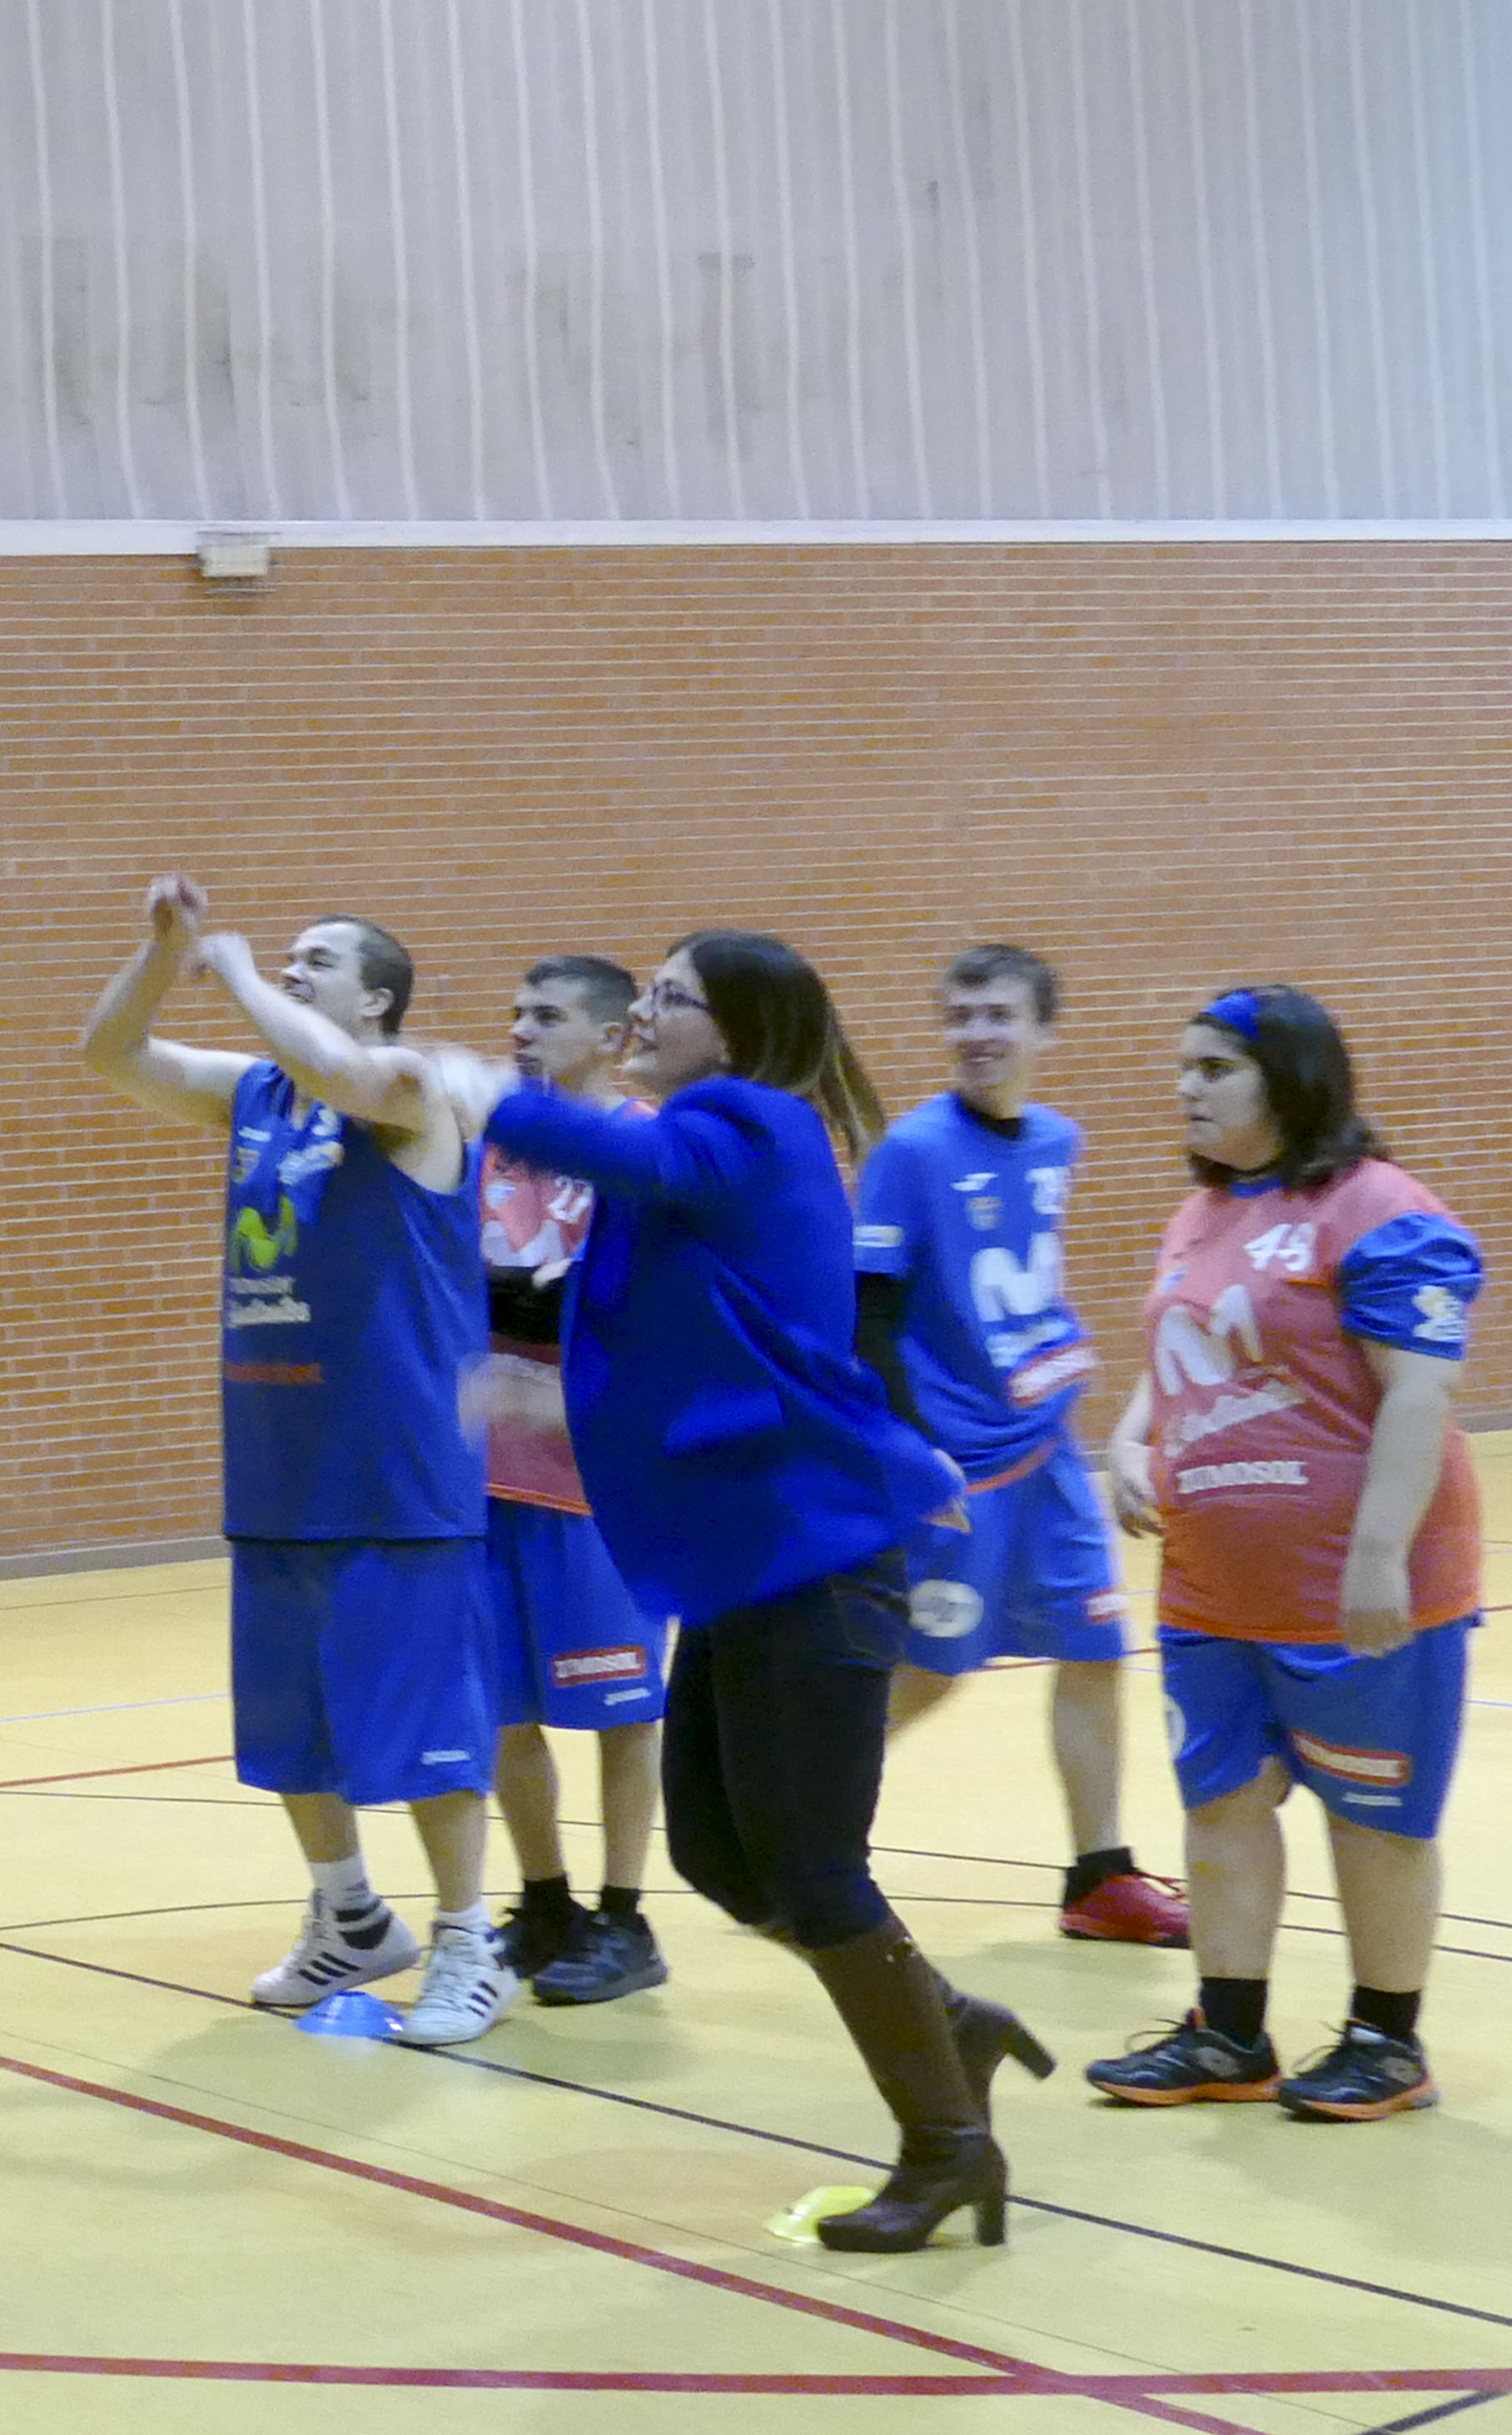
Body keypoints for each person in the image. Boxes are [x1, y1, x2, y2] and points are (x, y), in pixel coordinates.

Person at [450, 935, 1048, 2252]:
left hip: (819, 1560)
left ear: (739, 1029)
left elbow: (610, 1149)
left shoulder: (755, 1122)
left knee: (820, 1871)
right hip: (743, 1567)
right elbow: (696, 1356)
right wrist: (546, 1396)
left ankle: (948, 2148)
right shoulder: (704, 1162)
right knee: (718, 1857)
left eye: (672, 999)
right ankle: (949, 2025)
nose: (645, 1016)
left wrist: (470, 1086)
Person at [80, 876, 510, 2047]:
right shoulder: (258, 1093)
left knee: (424, 1731)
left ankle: (470, 1940)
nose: (292, 966)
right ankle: (351, 1917)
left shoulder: (412, 1091)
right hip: (278, 1456)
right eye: (290, 957)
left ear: (376, 998)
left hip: (396, 1467)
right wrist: (162, 954)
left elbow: (347, 1076)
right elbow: (109, 1053)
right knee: (293, 1727)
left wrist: (234, 972)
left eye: (321, 960)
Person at [1086, 987, 1478, 2122]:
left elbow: (1420, 1394)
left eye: (1215, 1069)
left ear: (1293, 1080)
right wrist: (1128, 1442)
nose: (1186, 1088)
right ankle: (1229, 2033)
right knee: (1221, 1801)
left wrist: (1379, 1554)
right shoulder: (1199, 1215)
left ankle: (1386, 2042)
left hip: (1353, 1591)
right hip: (1212, 1589)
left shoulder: (1381, 1209)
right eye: (1185, 1067)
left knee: (1375, 1814)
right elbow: (1178, 1357)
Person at [857, 946, 1186, 1947]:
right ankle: (800, 1843)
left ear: (1045, 1030)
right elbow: (867, 1314)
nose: (976, 1034)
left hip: (1049, 1449)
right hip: (958, 1466)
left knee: (1094, 1647)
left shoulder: (1055, 1139)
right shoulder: (913, 1151)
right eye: (960, 1016)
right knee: (930, 1671)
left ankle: (1099, 1876)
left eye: (998, 1015)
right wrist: (913, 1450)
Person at [475, 956, 674, 2006]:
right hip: (490, 1474)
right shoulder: (492, 1145)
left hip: (604, 1483)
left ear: (612, 1036)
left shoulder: (646, 1146)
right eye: (516, 1012)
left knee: (624, 1709)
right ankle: (545, 1901)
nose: (521, 1029)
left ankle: (626, 1916)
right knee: (506, 1710)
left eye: (546, 1015)